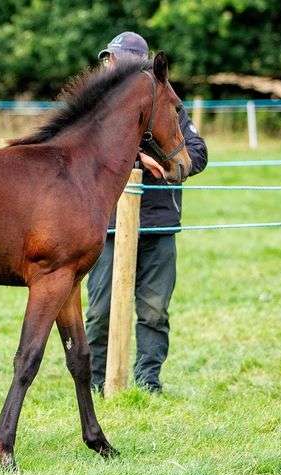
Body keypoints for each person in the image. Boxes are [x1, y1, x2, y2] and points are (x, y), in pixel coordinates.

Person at [86, 32, 209, 394]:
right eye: (108, 59)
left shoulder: (169, 104)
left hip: (159, 224)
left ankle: (148, 381)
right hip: (106, 225)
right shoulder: (95, 106)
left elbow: (197, 152)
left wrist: (168, 162)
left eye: (116, 59)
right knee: (99, 309)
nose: (109, 65)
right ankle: (94, 382)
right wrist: (139, 157)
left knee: (154, 311)